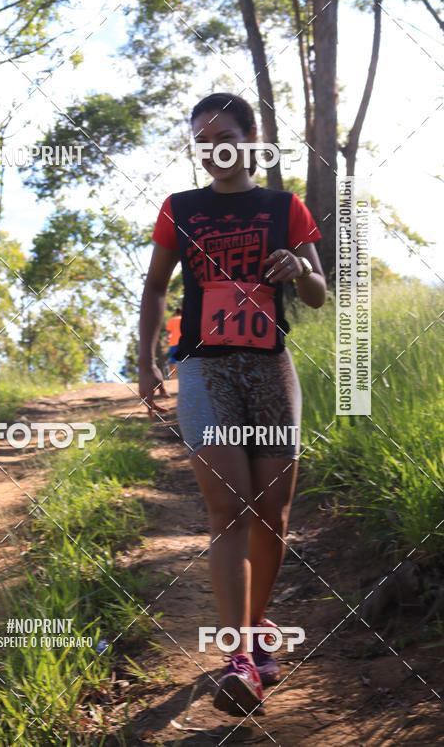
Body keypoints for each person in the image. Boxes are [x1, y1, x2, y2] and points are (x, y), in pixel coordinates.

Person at [138, 93, 326, 717]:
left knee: (272, 511)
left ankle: (256, 622)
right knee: (229, 507)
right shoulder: (181, 209)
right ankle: (240, 655)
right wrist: (147, 361)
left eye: (223, 134)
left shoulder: (284, 206)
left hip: (270, 368)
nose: (213, 147)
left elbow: (319, 292)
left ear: (250, 137)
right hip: (203, 369)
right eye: (201, 137)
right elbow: (157, 286)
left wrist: (298, 265)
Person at [165, 310, 182, 377]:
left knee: (173, 361)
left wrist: (167, 340)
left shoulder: (172, 320)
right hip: (182, 343)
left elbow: (168, 332)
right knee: (183, 360)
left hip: (173, 343)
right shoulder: (183, 319)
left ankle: (173, 377)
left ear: (176, 313)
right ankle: (181, 377)